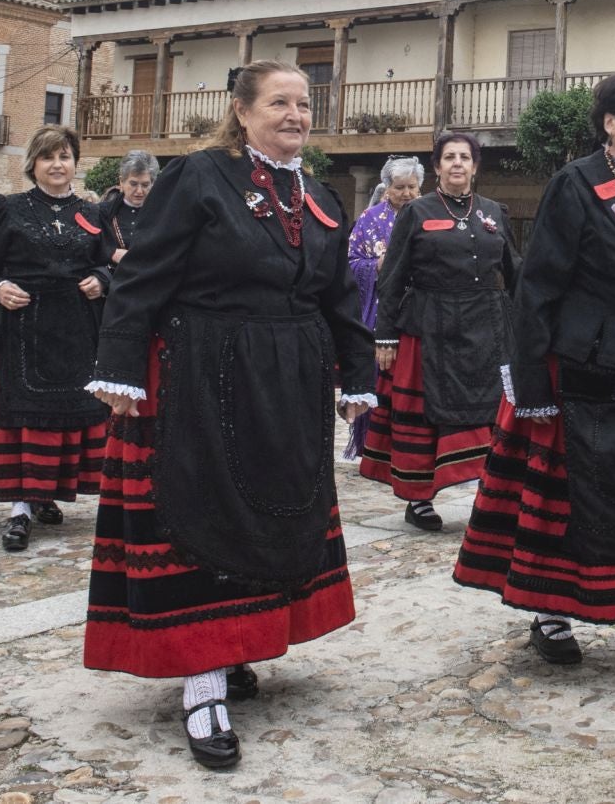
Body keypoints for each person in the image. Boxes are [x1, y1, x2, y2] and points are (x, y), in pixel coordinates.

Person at [81, 60, 376, 772]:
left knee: (272, 513)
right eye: (280, 102)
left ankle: (242, 644)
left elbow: (339, 296)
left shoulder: (320, 194)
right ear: (242, 111)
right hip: (206, 373)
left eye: (305, 104)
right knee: (206, 514)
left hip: (292, 383)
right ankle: (203, 683)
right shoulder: (199, 177)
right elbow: (143, 274)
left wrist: (357, 373)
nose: (296, 115)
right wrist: (120, 365)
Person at [452, 70, 615, 689]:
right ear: (610, 123)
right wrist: (533, 387)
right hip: (590, 374)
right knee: (572, 503)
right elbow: (538, 287)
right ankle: (551, 614)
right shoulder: (576, 186)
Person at [0, 126, 112, 551]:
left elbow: (109, 264)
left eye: (64, 156)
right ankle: (21, 509)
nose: (57, 165)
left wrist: (101, 278)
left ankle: (50, 495)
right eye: (48, 158)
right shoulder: (10, 207)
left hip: (77, 331)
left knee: (69, 416)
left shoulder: (92, 212)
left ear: (76, 162)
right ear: (33, 165)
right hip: (23, 331)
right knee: (25, 420)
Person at [362, 136, 514, 529]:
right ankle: (419, 500)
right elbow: (392, 278)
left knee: (490, 415)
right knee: (425, 416)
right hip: (429, 329)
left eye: (465, 157)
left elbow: (515, 274)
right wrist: (385, 336)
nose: (458, 164)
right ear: (438, 167)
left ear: (475, 167)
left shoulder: (495, 212)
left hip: (486, 330)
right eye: (450, 158)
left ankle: (493, 497)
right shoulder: (416, 211)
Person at [341, 155, 423, 460]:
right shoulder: (369, 219)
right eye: (400, 187)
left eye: (412, 187)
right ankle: (372, 445)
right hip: (378, 314)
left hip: (419, 311)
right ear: (386, 188)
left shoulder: (427, 214)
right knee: (379, 378)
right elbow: (350, 264)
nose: (406, 193)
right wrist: (376, 265)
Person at [93, 151, 159, 271]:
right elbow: (92, 249)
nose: (139, 191)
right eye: (133, 184)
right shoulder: (102, 212)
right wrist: (111, 253)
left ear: (153, 184)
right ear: (121, 182)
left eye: (145, 185)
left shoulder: (162, 213)